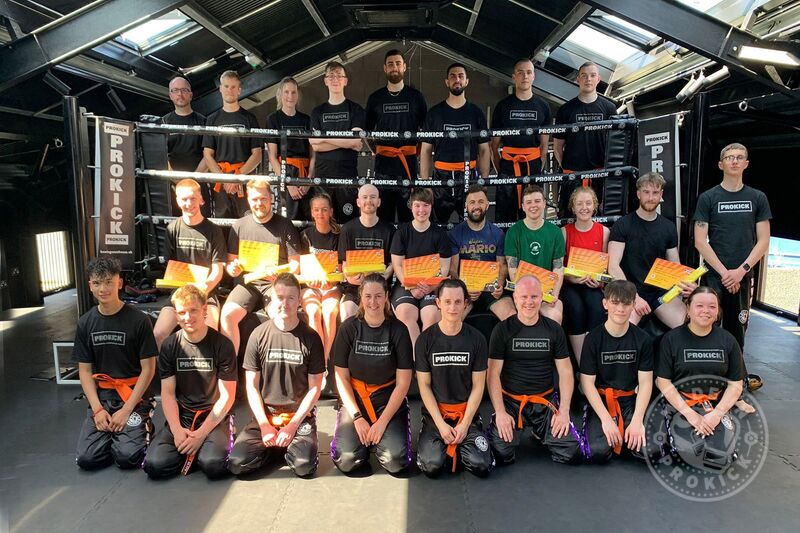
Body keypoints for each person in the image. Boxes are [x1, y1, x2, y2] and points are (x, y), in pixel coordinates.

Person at [228, 274, 325, 477]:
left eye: (291, 298)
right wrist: (264, 425)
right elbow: (251, 386)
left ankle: (287, 445)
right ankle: (274, 446)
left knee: (304, 466)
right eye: (280, 297)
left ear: (299, 301)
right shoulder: (258, 335)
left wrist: (292, 426)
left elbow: (315, 388)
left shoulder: (312, 338)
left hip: (298, 418)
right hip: (266, 416)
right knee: (237, 463)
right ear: (271, 298)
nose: (285, 303)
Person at [694, 143, 771, 392]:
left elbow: (763, 241)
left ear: (746, 164)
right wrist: (725, 272)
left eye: (739, 158)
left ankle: (737, 377)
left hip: (742, 276)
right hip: (715, 277)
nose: (734, 161)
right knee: (708, 325)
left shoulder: (757, 197)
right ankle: (707, 377)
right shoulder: (708, 198)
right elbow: (700, 241)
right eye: (729, 157)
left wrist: (741, 271)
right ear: (721, 164)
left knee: (737, 330)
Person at [143, 285, 237, 479]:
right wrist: (177, 431)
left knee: (213, 465)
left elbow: (227, 397)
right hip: (183, 416)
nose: (188, 317)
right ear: (176, 316)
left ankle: (201, 450)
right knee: (154, 465)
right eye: (182, 312)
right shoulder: (170, 345)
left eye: (193, 310)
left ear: (204, 311)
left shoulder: (222, 345)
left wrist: (201, 434)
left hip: (213, 416)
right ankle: (190, 450)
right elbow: (168, 393)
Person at [486, 276, 582, 465]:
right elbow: (492, 374)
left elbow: (566, 372)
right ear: (514, 298)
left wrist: (563, 411)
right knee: (501, 454)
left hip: (544, 402)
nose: (529, 302)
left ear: (541, 298)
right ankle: (498, 423)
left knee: (572, 452)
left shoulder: (553, 329)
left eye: (534, 297)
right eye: (524, 297)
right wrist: (501, 412)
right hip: (511, 402)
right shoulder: (502, 330)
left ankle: (541, 431)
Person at [74, 257, 157, 470]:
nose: (104, 288)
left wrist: (127, 410)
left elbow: (148, 370)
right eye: (97, 283)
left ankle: (140, 428)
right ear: (90, 285)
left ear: (119, 282)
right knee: (87, 459)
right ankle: (116, 438)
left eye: (109, 282)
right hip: (103, 398)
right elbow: (84, 371)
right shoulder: (85, 323)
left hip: (133, 398)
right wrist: (98, 410)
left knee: (128, 458)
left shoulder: (139, 320)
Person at [654, 287, 745, 470]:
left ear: (718, 311)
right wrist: (690, 415)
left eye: (712, 306)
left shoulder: (728, 340)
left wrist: (717, 414)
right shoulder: (671, 339)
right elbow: (662, 381)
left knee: (719, 458)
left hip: (713, 406)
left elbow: (736, 384)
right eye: (700, 305)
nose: (706, 311)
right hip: (679, 403)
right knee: (687, 453)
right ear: (688, 309)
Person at [331, 274, 414, 474]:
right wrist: (357, 417)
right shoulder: (348, 328)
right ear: (361, 296)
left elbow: (403, 383)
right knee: (347, 460)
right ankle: (360, 437)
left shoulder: (399, 330)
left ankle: (386, 434)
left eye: (378, 296)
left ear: (386, 297)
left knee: (396, 461)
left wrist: (382, 422)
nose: (373, 302)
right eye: (368, 296)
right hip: (357, 400)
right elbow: (341, 377)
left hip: (388, 400)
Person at [415, 279, 493, 477]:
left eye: (458, 302)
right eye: (447, 301)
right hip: (437, 415)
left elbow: (478, 385)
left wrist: (465, 424)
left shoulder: (477, 339)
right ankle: (433, 435)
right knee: (432, 466)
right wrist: (441, 425)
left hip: (466, 414)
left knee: (481, 466)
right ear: (438, 303)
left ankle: (465, 438)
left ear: (465, 303)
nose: (452, 307)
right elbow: (424, 385)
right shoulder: (425, 340)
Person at [219, 179, 303, 354]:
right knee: (227, 315)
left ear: (271, 198)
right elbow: (230, 263)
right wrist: (232, 269)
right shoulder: (239, 226)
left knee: (281, 317)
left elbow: (295, 265)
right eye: (255, 199)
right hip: (247, 284)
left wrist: (280, 273)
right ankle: (230, 367)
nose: (259, 204)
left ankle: (282, 365)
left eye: (263, 199)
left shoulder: (284, 225)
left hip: (274, 284)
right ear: (248, 199)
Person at [608, 172, 695, 328]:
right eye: (646, 192)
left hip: (660, 293)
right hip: (631, 290)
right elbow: (613, 266)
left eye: (655, 193)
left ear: (661, 194)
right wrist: (632, 296)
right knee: (623, 329)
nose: (650, 197)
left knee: (688, 326)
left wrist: (688, 286)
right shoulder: (623, 224)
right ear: (638, 193)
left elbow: (675, 265)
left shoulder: (668, 227)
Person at [579, 280, 653, 463]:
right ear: (605, 304)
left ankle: (625, 434)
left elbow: (645, 382)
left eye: (626, 303)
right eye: (615, 302)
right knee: (597, 451)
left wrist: (637, 420)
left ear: (633, 306)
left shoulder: (643, 339)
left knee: (652, 451)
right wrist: (605, 419)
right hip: (601, 401)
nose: (620, 308)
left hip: (629, 401)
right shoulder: (593, 339)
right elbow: (586, 383)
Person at [153, 179, 226, 349]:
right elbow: (171, 266)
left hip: (206, 293)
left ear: (201, 199)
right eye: (184, 199)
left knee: (210, 332)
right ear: (177, 200)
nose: (189, 203)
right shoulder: (172, 229)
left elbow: (218, 272)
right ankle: (163, 375)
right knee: (158, 334)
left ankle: (211, 376)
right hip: (179, 293)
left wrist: (202, 290)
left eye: (193, 198)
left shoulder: (214, 231)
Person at [420, 63, 491, 223]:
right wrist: (426, 184)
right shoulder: (435, 113)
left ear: (467, 81)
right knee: (437, 226)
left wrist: (484, 182)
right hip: (441, 178)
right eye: (452, 76)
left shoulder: (476, 112)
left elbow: (485, 150)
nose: (457, 79)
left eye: (461, 76)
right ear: (446, 82)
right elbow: (425, 151)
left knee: (471, 225)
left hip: (469, 176)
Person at [366, 49, 427, 223]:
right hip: (383, 168)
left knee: (408, 218)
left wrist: (415, 151)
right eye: (390, 64)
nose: (394, 67)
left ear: (404, 67)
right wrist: (378, 150)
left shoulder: (416, 97)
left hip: (408, 167)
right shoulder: (375, 98)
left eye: (398, 63)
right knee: (383, 217)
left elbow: (426, 132)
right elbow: (367, 132)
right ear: (385, 68)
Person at [391, 188, 452, 351]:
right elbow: (397, 265)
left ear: (431, 207)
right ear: (411, 207)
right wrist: (410, 286)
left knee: (431, 315)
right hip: (406, 285)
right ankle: (416, 360)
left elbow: (444, 268)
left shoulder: (439, 234)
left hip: (432, 286)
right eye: (417, 205)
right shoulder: (402, 232)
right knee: (405, 314)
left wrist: (431, 287)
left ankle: (425, 359)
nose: (421, 210)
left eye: (425, 205)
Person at [491, 59, 552, 223]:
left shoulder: (543, 106)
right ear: (513, 77)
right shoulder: (503, 106)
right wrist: (502, 169)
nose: (525, 76)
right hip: (508, 166)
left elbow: (544, 145)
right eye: (520, 72)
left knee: (533, 215)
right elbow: (494, 145)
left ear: (534, 76)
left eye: (529, 72)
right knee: (505, 215)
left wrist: (538, 166)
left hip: (533, 165)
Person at [553, 61, 617, 216]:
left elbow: (616, 144)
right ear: (578, 80)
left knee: (600, 220)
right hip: (572, 175)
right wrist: (568, 169)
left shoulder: (610, 108)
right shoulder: (565, 110)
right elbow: (557, 146)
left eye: (592, 75)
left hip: (600, 175)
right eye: (584, 76)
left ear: (598, 79)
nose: (588, 79)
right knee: (569, 219)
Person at [310, 61, 366, 223]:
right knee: (322, 223)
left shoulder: (355, 109)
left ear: (345, 81)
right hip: (323, 177)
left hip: (347, 176)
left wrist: (324, 137)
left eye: (339, 76)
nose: (335, 79)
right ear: (325, 81)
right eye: (331, 76)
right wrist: (345, 141)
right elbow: (315, 145)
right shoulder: (317, 112)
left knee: (347, 224)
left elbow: (355, 142)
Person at [448, 185, 515, 320]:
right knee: (452, 318)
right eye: (472, 202)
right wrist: (464, 289)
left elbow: (502, 265)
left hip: (491, 288)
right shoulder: (454, 234)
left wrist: (499, 285)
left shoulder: (498, 233)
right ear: (466, 206)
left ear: (487, 205)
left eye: (480, 202)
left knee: (511, 316)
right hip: (465, 289)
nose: (476, 206)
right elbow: (453, 270)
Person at [202, 70, 262, 218]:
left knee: (247, 223)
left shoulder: (250, 118)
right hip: (220, 183)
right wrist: (224, 180)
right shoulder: (212, 120)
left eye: (234, 87)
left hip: (244, 180)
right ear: (220, 89)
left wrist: (237, 177)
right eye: (226, 86)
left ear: (239, 90)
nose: (230, 90)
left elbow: (257, 154)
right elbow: (207, 154)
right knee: (221, 226)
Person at [504, 184, 565, 323]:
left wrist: (554, 294)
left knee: (554, 316)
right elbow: (512, 269)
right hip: (522, 291)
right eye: (529, 202)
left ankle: (550, 345)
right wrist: (526, 296)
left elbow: (558, 267)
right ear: (523, 206)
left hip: (546, 290)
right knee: (522, 315)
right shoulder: (513, 232)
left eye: (537, 201)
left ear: (544, 204)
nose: (533, 205)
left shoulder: (555, 232)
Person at [561, 187, 609, 360]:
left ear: (594, 206)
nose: (584, 208)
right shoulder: (565, 232)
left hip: (592, 285)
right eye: (579, 204)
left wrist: (600, 282)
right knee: (575, 308)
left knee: (597, 307)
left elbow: (605, 268)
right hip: (570, 284)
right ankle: (582, 362)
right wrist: (573, 279)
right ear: (573, 208)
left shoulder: (604, 232)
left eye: (588, 203)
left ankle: (594, 356)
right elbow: (560, 268)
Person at [338, 184, 395, 320]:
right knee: (347, 314)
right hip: (355, 287)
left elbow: (393, 264)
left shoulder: (389, 230)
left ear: (379, 202)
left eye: (373, 197)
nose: (369, 201)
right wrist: (350, 277)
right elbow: (344, 265)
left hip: (380, 287)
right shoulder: (347, 229)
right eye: (365, 197)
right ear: (358, 202)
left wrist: (379, 279)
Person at [266, 77, 316, 220]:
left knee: (308, 217)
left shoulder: (307, 120)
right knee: (289, 219)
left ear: (298, 95)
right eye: (286, 92)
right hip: (285, 171)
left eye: (293, 92)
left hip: (305, 173)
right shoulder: (273, 119)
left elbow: (313, 154)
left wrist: (309, 180)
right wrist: (287, 182)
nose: (290, 96)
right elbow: (272, 156)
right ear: (280, 94)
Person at [161, 76, 211, 217]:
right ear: (170, 95)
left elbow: (208, 154)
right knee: (173, 226)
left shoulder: (204, 122)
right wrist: (177, 180)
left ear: (191, 94)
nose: (180, 94)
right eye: (175, 90)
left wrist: (193, 180)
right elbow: (160, 155)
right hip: (171, 186)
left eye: (184, 90)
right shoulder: (163, 122)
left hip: (199, 184)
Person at [300, 192, 341, 360]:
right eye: (316, 210)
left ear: (331, 211)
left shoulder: (339, 235)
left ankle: (324, 359)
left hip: (332, 285)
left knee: (330, 312)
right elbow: (302, 265)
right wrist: (311, 279)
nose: (320, 214)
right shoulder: (306, 235)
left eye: (324, 209)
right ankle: (316, 357)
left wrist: (329, 277)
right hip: (311, 286)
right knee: (313, 311)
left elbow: (342, 266)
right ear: (311, 212)